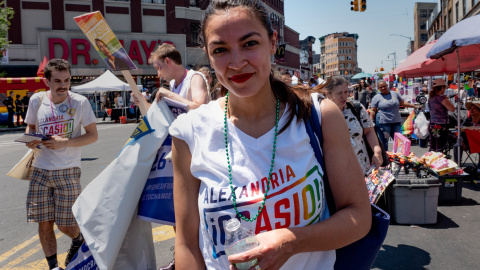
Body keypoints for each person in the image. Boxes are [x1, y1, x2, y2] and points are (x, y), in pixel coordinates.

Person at [168, 1, 371, 269]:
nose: (237, 62)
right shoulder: (189, 132)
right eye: (220, 50)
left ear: (273, 43)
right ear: (208, 54)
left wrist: (292, 241)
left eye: (250, 43)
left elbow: (358, 216)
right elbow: (186, 244)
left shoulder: (319, 115)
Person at [23, 59, 98, 269]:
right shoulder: (37, 100)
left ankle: (78, 238)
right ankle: (54, 266)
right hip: (40, 169)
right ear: (47, 81)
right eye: (57, 80)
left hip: (68, 170)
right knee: (44, 222)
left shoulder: (80, 102)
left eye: (67, 80)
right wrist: (31, 140)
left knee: (65, 224)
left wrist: (68, 142)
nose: (63, 85)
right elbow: (30, 128)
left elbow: (93, 136)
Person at [323, 76, 383, 175]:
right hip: (338, 172)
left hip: (363, 167)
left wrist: (377, 151)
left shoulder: (355, 108)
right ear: (327, 94)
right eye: (339, 93)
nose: (344, 96)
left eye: (346, 92)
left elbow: (369, 131)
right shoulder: (321, 114)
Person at [146, 43, 209, 110]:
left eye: (158, 68)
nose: (158, 74)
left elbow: (200, 107)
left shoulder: (195, 77)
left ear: (167, 61)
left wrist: (169, 94)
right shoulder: (173, 84)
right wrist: (142, 101)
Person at [370, 80, 418, 150]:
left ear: (387, 85)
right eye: (381, 87)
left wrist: (414, 106)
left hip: (396, 121)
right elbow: (373, 110)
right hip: (383, 122)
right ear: (378, 89)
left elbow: (402, 103)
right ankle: (385, 158)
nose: (383, 88)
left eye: (384, 86)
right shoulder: (376, 97)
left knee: (399, 141)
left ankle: (399, 157)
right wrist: (370, 121)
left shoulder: (394, 94)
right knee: (384, 142)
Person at [428, 78, 455, 152]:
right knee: (440, 146)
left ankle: (432, 161)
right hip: (441, 125)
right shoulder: (442, 98)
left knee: (433, 146)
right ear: (442, 87)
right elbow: (452, 109)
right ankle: (439, 162)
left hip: (433, 124)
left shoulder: (431, 98)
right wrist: (447, 99)